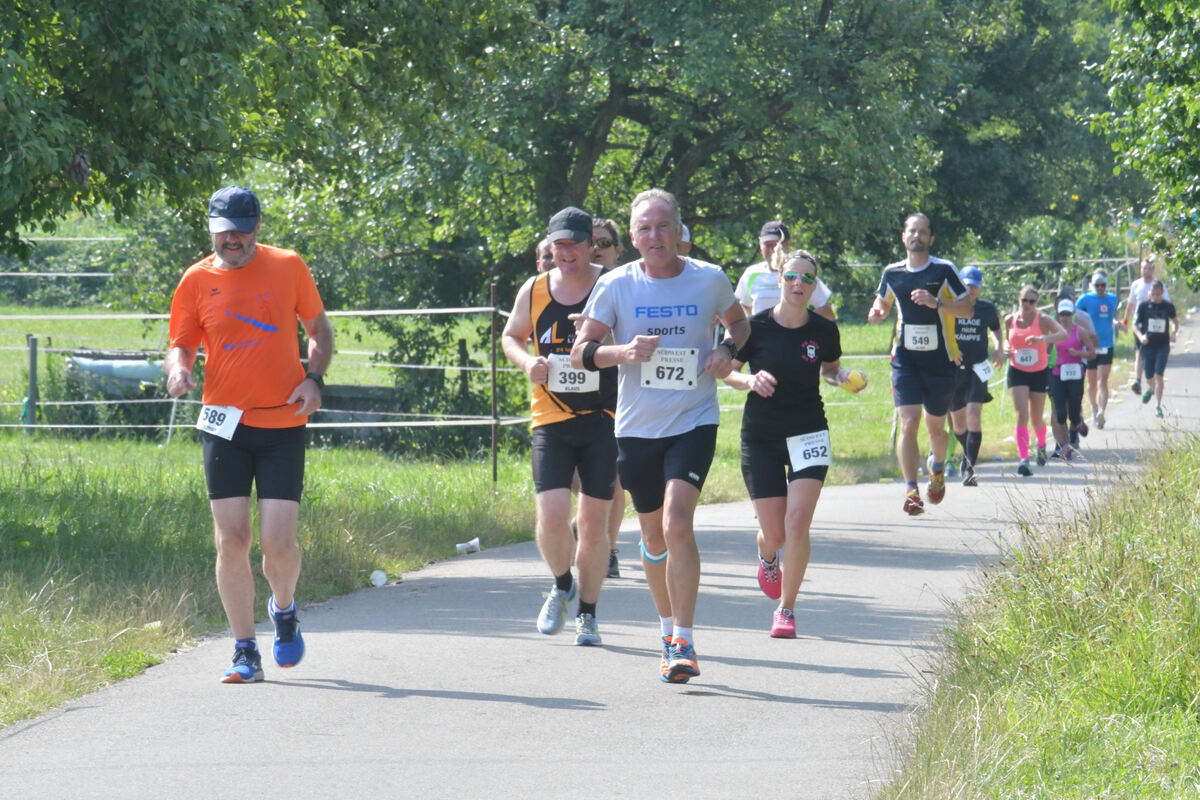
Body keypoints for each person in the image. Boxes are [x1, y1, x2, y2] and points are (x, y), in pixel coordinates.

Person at [571, 188, 749, 684]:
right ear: (632, 237)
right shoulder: (616, 286)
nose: (654, 236)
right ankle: (667, 630)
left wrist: (728, 352)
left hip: (693, 419)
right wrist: (623, 351)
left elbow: (738, 323)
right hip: (636, 427)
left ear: (678, 231)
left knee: (676, 523)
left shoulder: (709, 279)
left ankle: (686, 642)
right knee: (651, 535)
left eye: (662, 227)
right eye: (644, 229)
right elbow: (581, 352)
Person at [165, 185, 334, 683]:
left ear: (256, 227)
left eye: (239, 230)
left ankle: (284, 608)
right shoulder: (195, 279)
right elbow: (182, 343)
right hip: (223, 423)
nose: (230, 240)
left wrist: (314, 379)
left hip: (283, 422)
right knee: (231, 540)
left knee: (277, 545)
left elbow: (319, 331)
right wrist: (179, 371)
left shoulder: (288, 266)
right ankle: (244, 650)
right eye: (222, 230)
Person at [723, 249, 860, 638]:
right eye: (791, 277)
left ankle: (786, 609)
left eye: (807, 278)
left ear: (815, 287)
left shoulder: (823, 330)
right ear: (779, 280)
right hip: (762, 435)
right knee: (777, 534)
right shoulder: (754, 327)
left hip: (809, 432)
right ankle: (768, 555)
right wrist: (750, 380)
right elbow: (727, 373)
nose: (799, 284)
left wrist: (844, 378)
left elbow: (830, 370)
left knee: (798, 523)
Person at [501, 206, 617, 646]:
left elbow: (633, 337)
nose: (567, 253)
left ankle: (587, 613)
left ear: (592, 245)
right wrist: (528, 360)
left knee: (592, 521)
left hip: (603, 417)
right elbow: (512, 335)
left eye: (575, 243)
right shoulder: (533, 289)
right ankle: (561, 582)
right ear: (550, 247)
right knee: (551, 516)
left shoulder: (611, 285)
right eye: (559, 245)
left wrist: (605, 345)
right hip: (550, 416)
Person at [867, 212, 973, 514]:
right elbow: (883, 301)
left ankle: (937, 468)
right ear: (904, 237)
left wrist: (937, 302)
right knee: (909, 422)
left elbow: (967, 309)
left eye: (922, 232)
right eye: (911, 231)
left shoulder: (943, 270)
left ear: (931, 238)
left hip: (941, 363)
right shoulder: (892, 273)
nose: (916, 236)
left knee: (936, 429)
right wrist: (877, 312)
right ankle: (912, 490)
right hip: (905, 361)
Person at [589, 216, 628, 579]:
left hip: (617, 388)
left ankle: (610, 547)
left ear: (618, 250)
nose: (596, 248)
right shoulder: (569, 283)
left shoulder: (626, 286)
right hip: (571, 394)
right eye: (592, 242)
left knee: (614, 476)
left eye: (604, 243)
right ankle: (586, 522)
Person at [1002, 285, 1067, 476]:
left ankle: (1040, 444)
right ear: (1019, 300)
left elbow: (1063, 334)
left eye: (1032, 301)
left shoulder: (1043, 319)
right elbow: (1007, 339)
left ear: (1036, 303)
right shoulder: (1010, 319)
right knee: (1022, 415)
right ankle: (1024, 460)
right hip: (1017, 370)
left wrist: (1041, 339)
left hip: (1038, 371)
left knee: (1036, 418)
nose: (1028, 304)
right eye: (1025, 300)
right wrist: (1006, 347)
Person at [948, 266, 1003, 487]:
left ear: (979, 288)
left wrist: (999, 346)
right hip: (954, 368)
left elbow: (996, 329)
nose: (970, 289)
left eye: (974, 285)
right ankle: (965, 452)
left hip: (979, 368)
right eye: (966, 284)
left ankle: (970, 467)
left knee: (974, 414)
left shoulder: (986, 308)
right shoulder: (950, 308)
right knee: (959, 425)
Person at [735, 221, 836, 320]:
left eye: (776, 245)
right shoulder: (751, 273)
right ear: (760, 245)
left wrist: (800, 325)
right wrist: (752, 327)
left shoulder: (804, 274)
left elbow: (826, 311)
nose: (772, 250)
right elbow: (744, 305)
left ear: (788, 244)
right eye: (767, 245)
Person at [1049, 298, 1096, 461]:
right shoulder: (1054, 332)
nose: (1065, 317)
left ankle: (1079, 422)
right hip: (1057, 374)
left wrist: (1079, 354)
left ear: (1072, 314)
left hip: (1076, 373)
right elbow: (1047, 352)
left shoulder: (1080, 331)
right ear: (1058, 315)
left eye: (1068, 314)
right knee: (1060, 413)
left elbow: (1092, 353)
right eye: (1062, 314)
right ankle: (1065, 446)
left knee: (1074, 413)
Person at [1075, 270, 1119, 429]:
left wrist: (1118, 322)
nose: (1100, 288)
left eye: (1103, 285)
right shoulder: (1085, 299)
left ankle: (1102, 411)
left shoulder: (1113, 298)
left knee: (1103, 381)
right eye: (1097, 285)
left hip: (1107, 344)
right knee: (1092, 382)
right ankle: (1094, 408)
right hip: (1090, 346)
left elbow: (1114, 315)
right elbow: (1074, 315)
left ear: (1107, 285)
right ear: (1092, 286)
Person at [1121, 257, 1170, 395]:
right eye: (1144, 268)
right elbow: (1130, 305)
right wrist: (1125, 322)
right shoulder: (1136, 285)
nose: (1147, 271)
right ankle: (1137, 380)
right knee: (1139, 353)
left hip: (1156, 326)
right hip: (1140, 324)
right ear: (1140, 269)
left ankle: (1152, 379)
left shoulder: (1159, 286)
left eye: (1149, 268)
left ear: (1153, 270)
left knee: (1152, 354)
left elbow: (1167, 304)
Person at [1133, 280, 1178, 418]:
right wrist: (1141, 337)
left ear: (1162, 293)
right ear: (1149, 293)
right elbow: (1135, 326)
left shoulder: (1168, 306)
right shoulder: (1144, 306)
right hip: (1147, 345)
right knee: (1149, 376)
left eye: (1158, 294)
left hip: (1162, 345)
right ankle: (1151, 389)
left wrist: (1174, 333)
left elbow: (1175, 322)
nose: (1156, 297)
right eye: (1153, 294)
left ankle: (1158, 406)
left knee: (1159, 375)